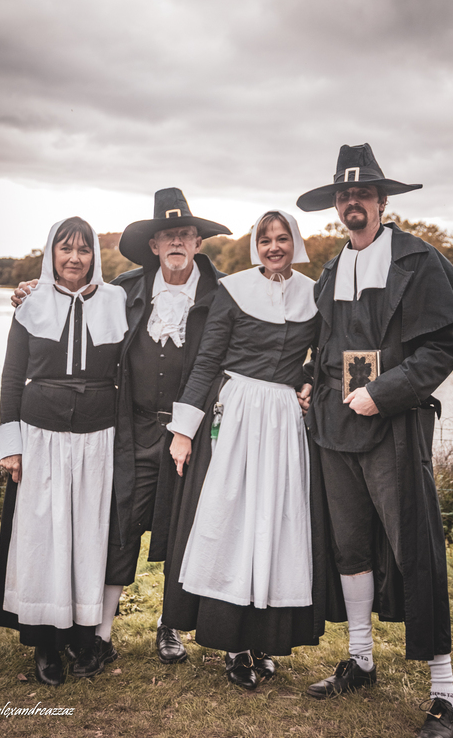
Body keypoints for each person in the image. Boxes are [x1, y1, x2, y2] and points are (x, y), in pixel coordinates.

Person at [296, 144, 453, 738]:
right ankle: (360, 659)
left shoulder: (418, 260)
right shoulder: (330, 267)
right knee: (349, 549)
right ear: (337, 205)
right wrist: (310, 382)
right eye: (343, 195)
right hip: (334, 428)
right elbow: (325, 347)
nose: (353, 202)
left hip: (394, 430)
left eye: (363, 194)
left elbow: (440, 352)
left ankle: (445, 694)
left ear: (381, 201)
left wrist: (386, 392)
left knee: (416, 551)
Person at [9, 189, 232, 668]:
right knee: (118, 529)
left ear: (198, 242)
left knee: (182, 528)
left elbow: (251, 345)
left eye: (185, 234)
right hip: (128, 431)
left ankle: (168, 628)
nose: (176, 242)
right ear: (153, 245)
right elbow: (72, 301)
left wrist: (301, 377)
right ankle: (100, 635)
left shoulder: (223, 295)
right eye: (167, 235)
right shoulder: (125, 291)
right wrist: (33, 289)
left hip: (189, 431)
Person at [163, 210, 322, 690]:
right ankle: (233, 644)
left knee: (273, 525)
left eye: (282, 239)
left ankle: (262, 642)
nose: (274, 247)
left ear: (295, 242)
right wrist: (184, 430)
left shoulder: (313, 294)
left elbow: (326, 355)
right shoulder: (234, 290)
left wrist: (311, 380)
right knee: (233, 526)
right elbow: (208, 360)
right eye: (266, 239)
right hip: (236, 416)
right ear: (256, 245)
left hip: (283, 422)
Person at [0, 217, 128, 686]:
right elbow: (11, 376)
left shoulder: (116, 301)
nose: (74, 258)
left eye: (84, 249)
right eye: (65, 249)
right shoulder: (31, 303)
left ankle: (82, 636)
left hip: (97, 438)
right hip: (40, 436)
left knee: (87, 538)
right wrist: (11, 446)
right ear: (51, 253)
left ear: (95, 256)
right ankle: (44, 642)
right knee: (42, 539)